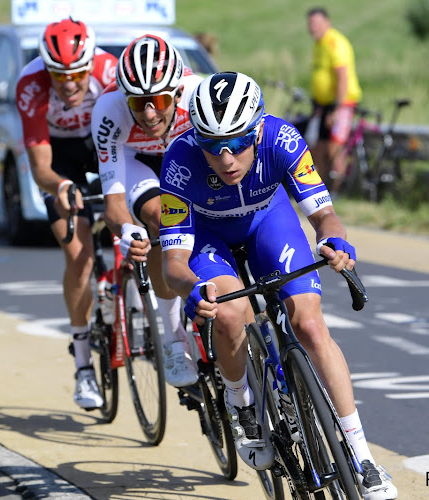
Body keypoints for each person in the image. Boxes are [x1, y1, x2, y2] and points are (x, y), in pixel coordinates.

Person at [159, 71, 397, 500]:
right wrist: (192, 288)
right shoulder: (179, 160)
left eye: (236, 144)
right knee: (231, 311)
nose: (226, 158)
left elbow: (323, 215)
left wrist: (332, 239)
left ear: (257, 130)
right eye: (213, 146)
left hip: (270, 223)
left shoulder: (283, 139)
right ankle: (242, 405)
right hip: (209, 240)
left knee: (309, 324)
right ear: (199, 141)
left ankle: (363, 458)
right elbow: (173, 263)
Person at [90, 34, 204, 388]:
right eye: (138, 102)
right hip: (136, 161)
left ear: (177, 91)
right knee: (159, 219)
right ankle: (172, 338)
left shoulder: (199, 96)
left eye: (158, 99)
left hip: (182, 153)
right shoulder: (109, 112)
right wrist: (127, 228)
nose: (149, 112)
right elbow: (113, 204)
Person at [15, 18, 117, 409]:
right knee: (80, 256)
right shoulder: (31, 85)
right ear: (47, 70)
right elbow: (40, 166)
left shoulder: (109, 72)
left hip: (102, 142)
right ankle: (82, 366)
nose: (70, 83)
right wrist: (60, 186)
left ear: (90, 63)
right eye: (59, 75)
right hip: (59, 159)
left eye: (76, 73)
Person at [307, 6, 362, 194]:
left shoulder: (334, 42)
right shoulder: (319, 45)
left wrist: (337, 109)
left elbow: (342, 77)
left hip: (341, 103)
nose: (312, 27)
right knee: (318, 150)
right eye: (310, 24)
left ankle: (338, 192)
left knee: (334, 149)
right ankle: (319, 193)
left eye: (316, 23)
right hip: (322, 105)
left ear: (326, 23)